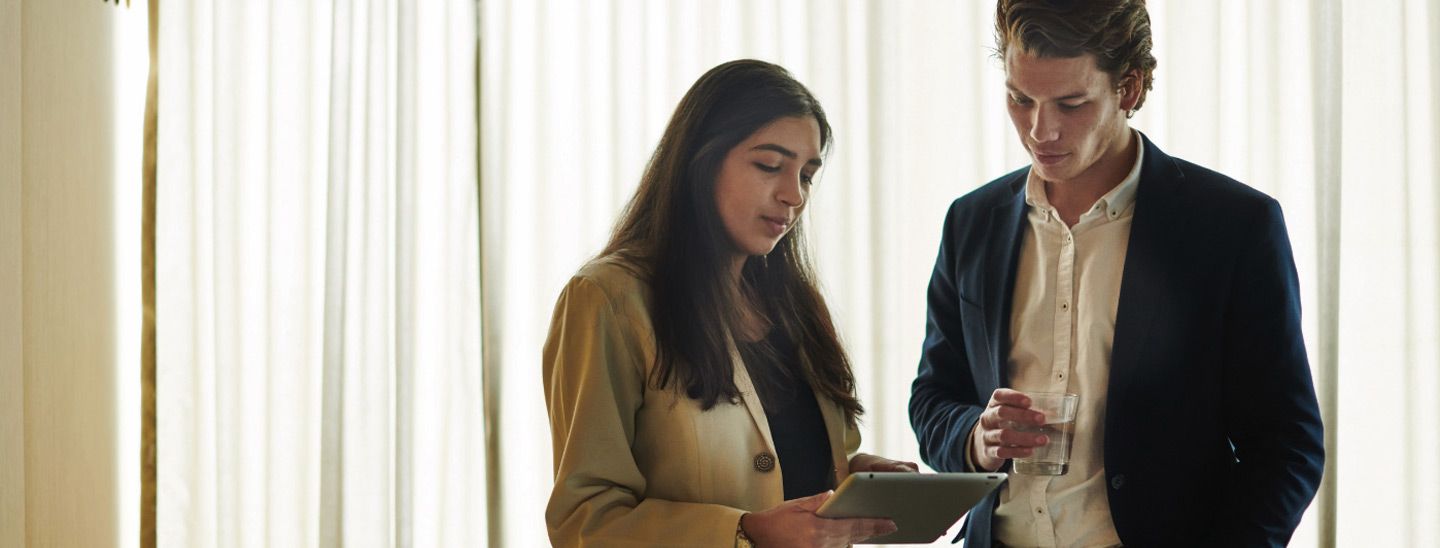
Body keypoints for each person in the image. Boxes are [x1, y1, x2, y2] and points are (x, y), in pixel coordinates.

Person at [908, 1, 1325, 546]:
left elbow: (1287, 445)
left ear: (1129, 89)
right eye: (1019, 99)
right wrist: (976, 439)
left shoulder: (1232, 227)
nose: (1040, 130)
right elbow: (933, 398)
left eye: (1071, 103)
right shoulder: (972, 221)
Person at [544, 59, 915, 548]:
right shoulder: (608, 300)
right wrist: (744, 532)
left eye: (806, 174)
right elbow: (584, 520)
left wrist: (858, 478)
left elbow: (788, 466)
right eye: (769, 165)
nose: (794, 195)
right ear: (700, 158)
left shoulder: (798, 306)